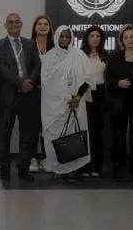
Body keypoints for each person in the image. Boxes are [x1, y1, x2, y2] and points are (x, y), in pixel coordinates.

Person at [40, 27, 95, 182]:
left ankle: (73, 170)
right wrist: (65, 98)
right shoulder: (49, 57)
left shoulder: (79, 55)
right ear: (56, 37)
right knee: (55, 135)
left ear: (71, 38)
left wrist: (77, 97)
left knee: (75, 135)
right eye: (61, 36)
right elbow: (46, 83)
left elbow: (88, 79)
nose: (64, 39)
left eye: (67, 36)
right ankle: (59, 170)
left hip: (76, 103)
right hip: (54, 105)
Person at [0, 13, 41, 181]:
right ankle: (4, 168)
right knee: (5, 133)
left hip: (29, 94)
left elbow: (37, 65)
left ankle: (24, 168)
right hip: (7, 95)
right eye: (10, 22)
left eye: (17, 22)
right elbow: (1, 68)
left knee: (28, 133)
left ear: (21, 24)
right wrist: (20, 83)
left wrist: (30, 82)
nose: (14, 25)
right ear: (5, 25)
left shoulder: (30, 44)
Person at [105, 25, 133, 180]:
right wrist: (118, 83)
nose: (129, 40)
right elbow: (108, 80)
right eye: (126, 37)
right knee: (118, 134)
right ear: (121, 40)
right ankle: (118, 165)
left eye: (132, 36)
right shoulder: (114, 56)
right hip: (118, 100)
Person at [81, 26, 108, 176]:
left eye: (98, 36)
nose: (95, 38)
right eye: (92, 36)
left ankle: (96, 166)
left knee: (98, 131)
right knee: (86, 130)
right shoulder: (80, 55)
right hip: (85, 94)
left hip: (101, 95)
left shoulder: (105, 55)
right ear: (87, 38)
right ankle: (85, 166)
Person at [29, 15, 54, 173]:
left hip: (50, 94)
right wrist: (34, 85)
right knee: (32, 126)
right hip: (32, 92)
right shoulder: (28, 45)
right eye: (40, 24)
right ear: (35, 27)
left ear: (50, 28)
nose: (43, 26)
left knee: (48, 126)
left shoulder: (56, 47)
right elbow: (24, 68)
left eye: (46, 24)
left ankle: (47, 158)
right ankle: (32, 157)